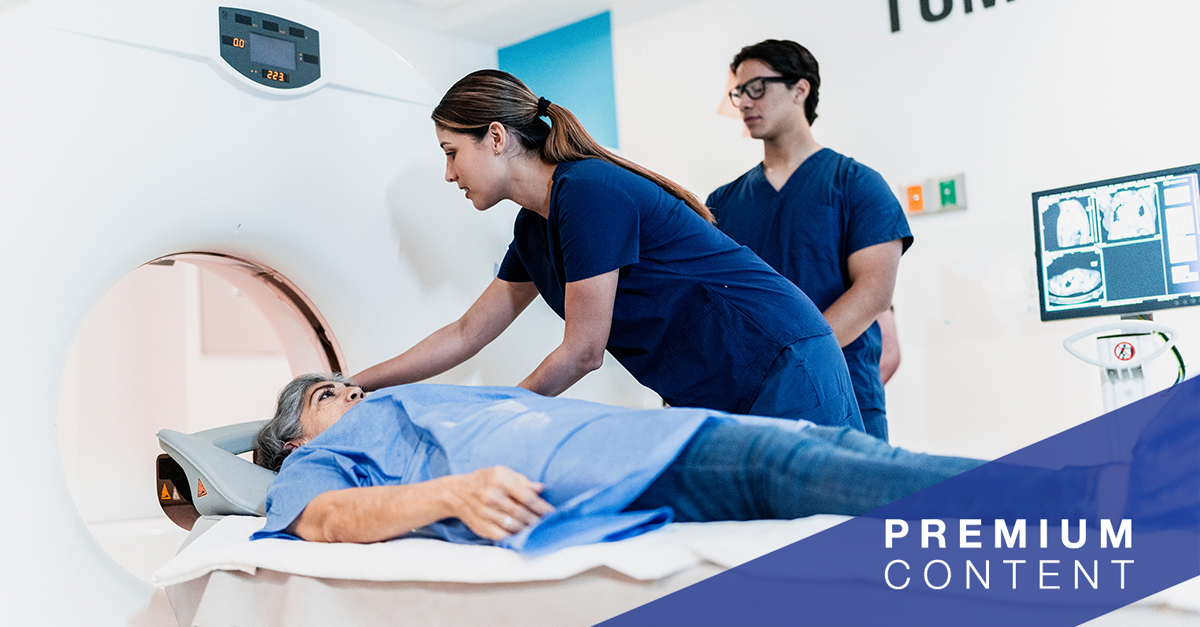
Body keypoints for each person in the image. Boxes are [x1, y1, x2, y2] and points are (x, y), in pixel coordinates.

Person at [353, 69, 862, 430]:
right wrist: (354, 383)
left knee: (820, 536)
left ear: (494, 137)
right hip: (712, 383)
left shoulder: (588, 190)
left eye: (451, 153)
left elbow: (583, 351)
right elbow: (466, 333)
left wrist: (494, 417)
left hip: (778, 359)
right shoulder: (535, 227)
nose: (449, 174)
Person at [251, 373, 985, 552]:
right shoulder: (316, 464)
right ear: (296, 438)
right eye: (325, 394)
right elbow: (330, 521)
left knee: (834, 447)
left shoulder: (404, 398)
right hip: (584, 472)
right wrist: (454, 492)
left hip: (616, 432)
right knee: (782, 464)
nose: (350, 388)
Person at [707, 40, 912, 441]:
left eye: (757, 87)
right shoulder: (723, 203)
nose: (744, 103)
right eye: (738, 92)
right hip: (753, 410)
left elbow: (873, 292)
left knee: (854, 503)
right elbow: (713, 303)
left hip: (841, 395)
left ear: (800, 89)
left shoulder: (857, 185)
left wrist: (789, 366)